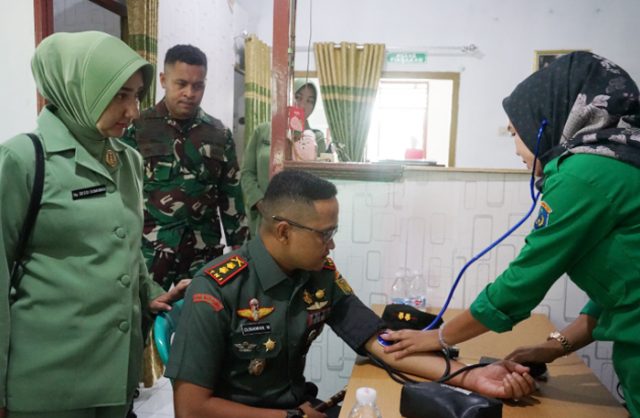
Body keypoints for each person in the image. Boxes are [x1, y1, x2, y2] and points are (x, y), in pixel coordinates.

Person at [380, 51, 640, 417]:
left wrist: (436, 337)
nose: (516, 149)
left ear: (545, 123)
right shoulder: (621, 160)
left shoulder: (583, 174)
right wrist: (553, 347)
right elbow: (622, 292)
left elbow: (522, 283)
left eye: (515, 134)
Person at [165, 169, 536, 418]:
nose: (332, 245)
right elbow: (191, 408)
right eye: (325, 234)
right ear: (283, 231)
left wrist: (472, 377)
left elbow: (382, 344)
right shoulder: (216, 289)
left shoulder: (319, 276)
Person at [0, 31, 188, 418]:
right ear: (77, 89)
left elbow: (126, 246)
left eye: (137, 95)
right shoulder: (23, 160)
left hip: (116, 377)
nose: (132, 111)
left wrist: (148, 293)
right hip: (47, 382)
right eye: (119, 95)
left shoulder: (127, 161)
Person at [121, 44, 247, 291]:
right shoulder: (137, 128)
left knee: (204, 312)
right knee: (143, 310)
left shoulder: (219, 133)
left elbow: (231, 197)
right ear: (163, 80)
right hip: (151, 250)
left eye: (198, 86)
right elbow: (121, 193)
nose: (190, 93)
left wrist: (240, 252)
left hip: (203, 251)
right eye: (181, 84)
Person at [241, 80, 325, 237]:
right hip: (263, 214)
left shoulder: (316, 138)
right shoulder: (263, 131)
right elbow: (247, 173)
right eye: (298, 97)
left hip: (299, 219)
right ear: (287, 97)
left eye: (310, 101)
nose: (302, 105)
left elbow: (318, 180)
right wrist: (260, 203)